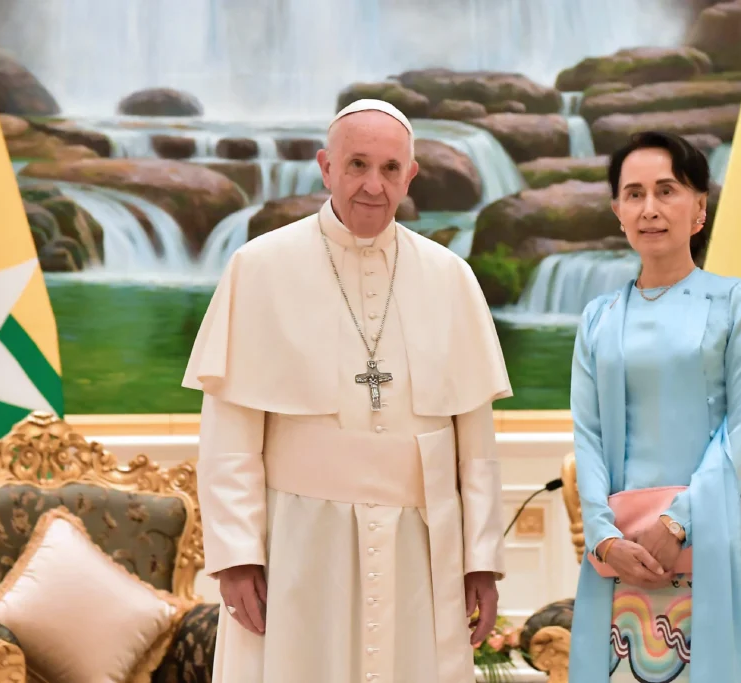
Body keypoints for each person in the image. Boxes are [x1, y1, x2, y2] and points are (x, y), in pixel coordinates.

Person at [182, 98, 513, 683]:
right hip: (300, 542)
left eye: (390, 169)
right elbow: (229, 433)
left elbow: (476, 444)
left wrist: (480, 560)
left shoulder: (450, 277)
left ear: (410, 176)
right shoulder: (259, 267)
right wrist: (236, 556)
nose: (372, 185)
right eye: (357, 164)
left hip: (422, 546)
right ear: (325, 167)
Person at [567, 131, 741, 683]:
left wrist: (678, 521)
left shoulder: (737, 302)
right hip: (623, 546)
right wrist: (603, 537)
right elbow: (587, 435)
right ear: (617, 211)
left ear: (699, 208)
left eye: (667, 190)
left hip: (716, 534)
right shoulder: (597, 318)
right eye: (634, 194)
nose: (650, 208)